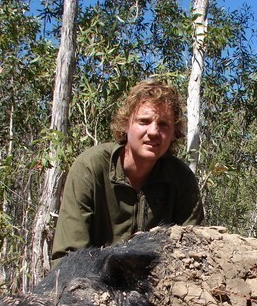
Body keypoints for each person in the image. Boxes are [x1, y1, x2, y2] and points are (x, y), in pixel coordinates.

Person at [51, 79, 205, 266]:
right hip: (93, 281)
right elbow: (68, 256)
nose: (154, 131)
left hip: (157, 284)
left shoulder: (181, 179)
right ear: (126, 124)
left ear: (174, 133)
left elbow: (193, 253)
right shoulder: (91, 167)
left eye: (164, 124)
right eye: (144, 121)